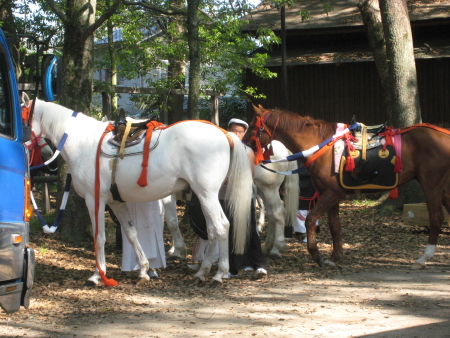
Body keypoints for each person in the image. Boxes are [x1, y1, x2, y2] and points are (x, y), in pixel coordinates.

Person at [188, 118, 267, 279]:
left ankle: (259, 265)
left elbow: (249, 175)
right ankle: (232, 267)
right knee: (227, 231)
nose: (236, 134)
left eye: (239, 131)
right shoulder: (217, 150)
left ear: (244, 134)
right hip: (221, 196)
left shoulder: (247, 151)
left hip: (243, 195)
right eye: (233, 130)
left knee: (249, 229)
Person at [120, 200, 166, 278]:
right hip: (131, 198)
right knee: (133, 226)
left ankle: (151, 266)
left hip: (152, 197)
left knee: (152, 225)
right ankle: (136, 265)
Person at [294, 163, 320, 242]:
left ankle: (310, 234)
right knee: (301, 210)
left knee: (310, 210)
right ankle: (303, 234)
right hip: (300, 186)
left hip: (310, 186)